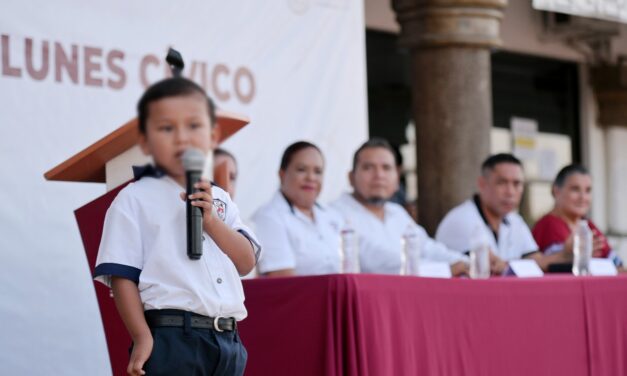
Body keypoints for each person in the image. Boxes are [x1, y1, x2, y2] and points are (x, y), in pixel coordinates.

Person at [94, 77, 260, 376]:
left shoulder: (220, 197)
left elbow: (246, 261)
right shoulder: (133, 199)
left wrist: (211, 221)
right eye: (167, 128)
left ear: (211, 136)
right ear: (145, 141)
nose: (182, 138)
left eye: (193, 126)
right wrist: (142, 336)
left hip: (227, 338)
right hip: (173, 337)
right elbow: (121, 277)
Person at [331, 138, 469, 276]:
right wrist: (444, 270)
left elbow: (427, 248)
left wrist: (468, 262)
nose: (379, 175)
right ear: (351, 177)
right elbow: (378, 262)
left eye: (386, 168)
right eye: (368, 167)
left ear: (397, 179)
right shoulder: (335, 214)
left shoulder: (397, 212)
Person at [435, 153, 567, 273]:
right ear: (482, 184)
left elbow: (537, 261)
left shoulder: (515, 220)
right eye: (502, 183)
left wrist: (567, 254)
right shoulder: (461, 219)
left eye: (517, 184)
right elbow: (488, 269)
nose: (510, 192)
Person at [532, 164, 624, 269]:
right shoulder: (549, 224)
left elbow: (617, 264)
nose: (583, 197)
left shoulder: (587, 224)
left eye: (588, 190)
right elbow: (561, 269)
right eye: (575, 189)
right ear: (556, 191)